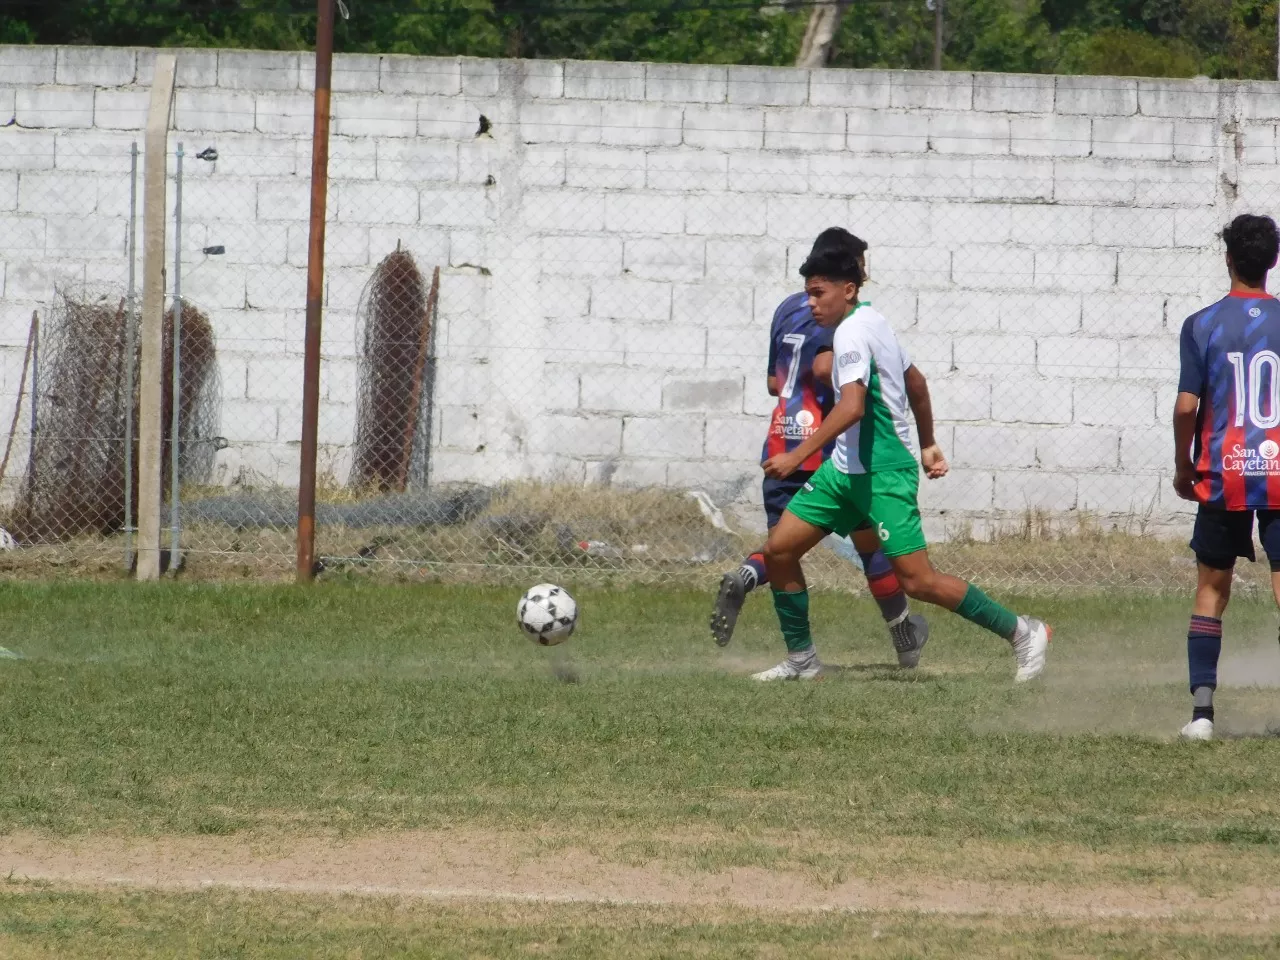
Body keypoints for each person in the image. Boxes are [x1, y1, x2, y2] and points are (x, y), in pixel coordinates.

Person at [756, 227, 1052, 683]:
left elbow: (853, 407)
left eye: (819, 293)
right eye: (807, 293)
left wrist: (797, 458)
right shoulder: (874, 322)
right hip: (844, 470)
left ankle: (1023, 632)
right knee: (779, 550)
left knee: (918, 581)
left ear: (848, 289)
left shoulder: (854, 332)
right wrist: (929, 442)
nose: (811, 303)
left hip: (882, 473)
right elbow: (915, 381)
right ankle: (802, 660)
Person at [710, 230, 929, 674]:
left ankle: (762, 592)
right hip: (831, 449)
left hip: (781, 441)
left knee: (782, 549)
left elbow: (775, 382)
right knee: (873, 549)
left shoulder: (788, 307)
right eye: (861, 263)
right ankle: (904, 639)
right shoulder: (837, 316)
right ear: (844, 271)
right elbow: (827, 367)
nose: (865, 273)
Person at [1173, 213, 1280, 742]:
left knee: (1211, 591)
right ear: (1273, 261)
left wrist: (1183, 465)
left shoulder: (1201, 324)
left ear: (1229, 259)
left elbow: (1186, 407)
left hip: (1221, 473)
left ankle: (1202, 715)